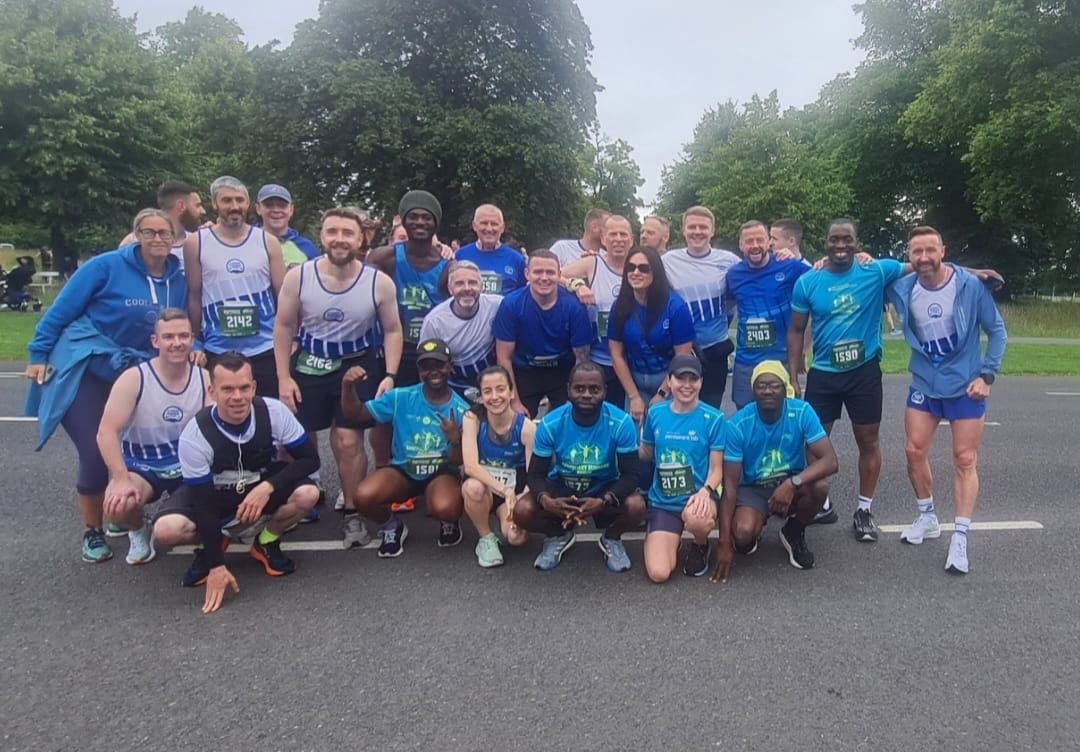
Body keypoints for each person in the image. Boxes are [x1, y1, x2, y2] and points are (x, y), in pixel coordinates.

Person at [25, 208, 188, 563]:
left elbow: (181, 323)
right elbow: (60, 312)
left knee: (133, 446)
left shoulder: (178, 279)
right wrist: (38, 353)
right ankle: (92, 530)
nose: (158, 239)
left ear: (176, 239)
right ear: (136, 235)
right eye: (149, 232)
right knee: (98, 450)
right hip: (87, 365)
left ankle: (122, 515)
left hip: (131, 371)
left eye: (165, 233)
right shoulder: (105, 266)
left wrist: (198, 349)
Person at [273, 206, 403, 547]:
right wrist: (283, 377)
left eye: (348, 233)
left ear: (361, 239)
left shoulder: (379, 282)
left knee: (348, 441)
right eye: (333, 232)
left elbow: (392, 329)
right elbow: (284, 326)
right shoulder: (298, 276)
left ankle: (352, 515)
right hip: (310, 363)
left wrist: (389, 373)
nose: (339, 239)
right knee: (296, 438)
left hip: (357, 364)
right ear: (323, 235)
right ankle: (300, 500)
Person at [887, 226, 1007, 574]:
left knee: (964, 458)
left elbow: (997, 331)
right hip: (926, 380)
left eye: (930, 250)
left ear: (944, 250)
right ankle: (927, 517)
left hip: (965, 383)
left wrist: (987, 375)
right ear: (908, 257)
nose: (924, 257)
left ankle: (960, 537)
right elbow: (867, 272)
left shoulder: (970, 287)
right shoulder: (902, 287)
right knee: (913, 451)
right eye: (916, 252)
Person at [162, 353, 321, 613]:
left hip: (259, 484)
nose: (237, 397)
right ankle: (211, 546)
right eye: (228, 389)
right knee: (167, 530)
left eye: (244, 388)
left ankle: (266, 541)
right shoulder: (195, 435)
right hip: (214, 493)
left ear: (254, 387)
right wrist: (216, 566)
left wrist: (266, 487)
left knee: (307, 494)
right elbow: (203, 503)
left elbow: (310, 459)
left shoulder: (273, 411)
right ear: (212, 392)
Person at [786, 219, 908, 541]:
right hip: (824, 374)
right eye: (834, 240)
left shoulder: (876, 271)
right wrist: (793, 372)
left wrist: (972, 273)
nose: (841, 246)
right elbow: (796, 329)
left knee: (868, 442)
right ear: (825, 243)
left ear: (856, 242)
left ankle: (864, 510)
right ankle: (821, 502)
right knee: (813, 444)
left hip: (863, 372)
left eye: (847, 240)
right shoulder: (808, 281)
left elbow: (924, 263)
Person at [96, 309, 210, 565]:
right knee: (119, 505)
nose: (177, 343)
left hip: (185, 464)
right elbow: (106, 432)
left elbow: (213, 433)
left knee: (175, 528)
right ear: (155, 341)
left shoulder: (204, 378)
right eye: (168, 337)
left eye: (183, 336)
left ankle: (209, 530)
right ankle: (138, 529)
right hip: (144, 464)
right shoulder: (134, 379)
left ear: (192, 339)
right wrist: (121, 478)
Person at [341, 338, 470, 557]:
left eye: (439, 365)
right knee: (362, 496)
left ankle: (449, 522)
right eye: (426, 367)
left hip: (440, 473)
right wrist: (347, 387)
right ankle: (392, 527)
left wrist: (455, 438)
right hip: (403, 471)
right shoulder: (401, 397)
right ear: (419, 370)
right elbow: (355, 415)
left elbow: (458, 462)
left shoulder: (461, 409)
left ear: (450, 367)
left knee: (445, 508)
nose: (433, 372)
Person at [711, 362, 839, 583]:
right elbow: (730, 486)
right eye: (761, 386)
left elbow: (830, 461)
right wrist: (723, 542)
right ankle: (753, 528)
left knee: (820, 487)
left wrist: (792, 484)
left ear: (785, 388)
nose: (768, 391)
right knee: (742, 535)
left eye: (774, 385)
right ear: (753, 390)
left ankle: (794, 531)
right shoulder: (738, 424)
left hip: (791, 483)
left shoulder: (801, 412)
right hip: (753, 488)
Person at [515, 362, 646, 572]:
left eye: (594, 389)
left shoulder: (622, 423)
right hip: (563, 488)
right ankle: (558, 535)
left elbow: (631, 475)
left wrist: (604, 501)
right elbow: (535, 475)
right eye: (579, 389)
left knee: (637, 506)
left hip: (603, 488)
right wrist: (546, 500)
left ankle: (611, 538)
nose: (586, 395)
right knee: (522, 511)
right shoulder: (550, 423)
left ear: (605, 391)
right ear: (568, 390)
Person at [183, 176, 286, 395]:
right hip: (218, 348)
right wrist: (194, 340)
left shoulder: (267, 241)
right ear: (214, 203)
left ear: (248, 203)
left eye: (240, 200)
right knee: (227, 413)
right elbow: (194, 294)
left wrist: (291, 338)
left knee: (269, 415)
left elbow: (283, 295)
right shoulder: (196, 242)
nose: (234, 206)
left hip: (265, 347)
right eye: (227, 200)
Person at [640, 354, 725, 582]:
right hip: (663, 502)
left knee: (697, 519)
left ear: (701, 382)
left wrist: (706, 492)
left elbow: (717, 468)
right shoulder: (656, 414)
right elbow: (646, 453)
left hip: (697, 498)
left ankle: (699, 543)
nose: (687, 386)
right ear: (669, 381)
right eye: (680, 379)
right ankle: (668, 538)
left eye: (693, 380)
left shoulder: (714, 418)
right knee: (659, 573)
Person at [493, 249, 593, 417]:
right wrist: (514, 401)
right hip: (524, 372)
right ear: (527, 274)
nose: (544, 278)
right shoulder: (511, 305)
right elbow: (504, 358)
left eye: (550, 272)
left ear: (559, 274)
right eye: (538, 272)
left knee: (566, 422)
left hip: (563, 372)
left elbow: (581, 358)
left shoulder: (574, 306)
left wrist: (574, 398)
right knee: (517, 424)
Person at [725, 220, 812, 409]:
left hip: (782, 357)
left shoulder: (788, 266)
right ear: (741, 245)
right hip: (747, 359)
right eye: (749, 241)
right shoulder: (733, 275)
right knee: (745, 414)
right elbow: (728, 306)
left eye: (759, 240)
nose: (755, 246)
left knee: (787, 415)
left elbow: (821, 278)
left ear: (768, 243)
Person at [662, 206, 741, 408]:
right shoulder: (668, 261)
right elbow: (636, 270)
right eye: (692, 227)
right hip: (681, 349)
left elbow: (758, 272)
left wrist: (790, 254)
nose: (697, 231)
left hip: (715, 349)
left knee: (710, 409)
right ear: (683, 230)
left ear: (712, 231)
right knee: (680, 406)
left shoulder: (728, 260)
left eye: (703, 227)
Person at [608, 246, 695, 422]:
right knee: (635, 441)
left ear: (656, 272)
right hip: (634, 379)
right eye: (631, 268)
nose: (636, 272)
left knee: (667, 436)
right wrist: (633, 397)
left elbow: (682, 357)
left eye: (644, 268)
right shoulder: (619, 306)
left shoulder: (676, 306)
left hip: (669, 378)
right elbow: (616, 354)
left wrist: (663, 393)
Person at [461, 366, 534, 567]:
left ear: (511, 392)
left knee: (516, 539)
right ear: (480, 396)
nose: (495, 397)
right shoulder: (472, 419)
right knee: (472, 488)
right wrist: (503, 490)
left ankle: (504, 520)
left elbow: (533, 475)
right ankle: (485, 537)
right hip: (487, 487)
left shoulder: (527, 428)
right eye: (487, 391)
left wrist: (519, 500)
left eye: (500, 389)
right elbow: (470, 466)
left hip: (513, 491)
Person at [561, 214, 635, 407]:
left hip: (636, 357)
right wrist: (577, 285)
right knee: (605, 413)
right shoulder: (592, 263)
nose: (618, 239)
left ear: (631, 240)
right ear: (603, 239)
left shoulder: (640, 266)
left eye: (623, 234)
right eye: (613, 234)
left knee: (639, 413)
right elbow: (555, 275)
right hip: (601, 358)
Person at [419, 260, 501, 394]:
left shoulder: (496, 305)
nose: (467, 288)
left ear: (482, 286)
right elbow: (426, 364)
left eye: (473, 283)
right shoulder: (434, 321)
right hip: (454, 382)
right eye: (459, 284)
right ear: (450, 289)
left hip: (491, 375)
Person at [120, 181, 207, 267]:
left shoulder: (199, 243)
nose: (203, 211)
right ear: (181, 206)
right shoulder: (135, 243)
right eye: (197, 205)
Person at [454, 204, 527, 296]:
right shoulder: (461, 255)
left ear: (502, 228)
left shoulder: (517, 260)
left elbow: (523, 295)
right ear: (474, 226)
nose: (489, 229)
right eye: (484, 223)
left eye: (494, 224)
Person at [255, 184, 320, 268]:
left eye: (282, 205)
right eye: (269, 205)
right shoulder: (246, 242)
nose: (276, 210)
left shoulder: (307, 247)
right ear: (258, 209)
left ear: (291, 210)